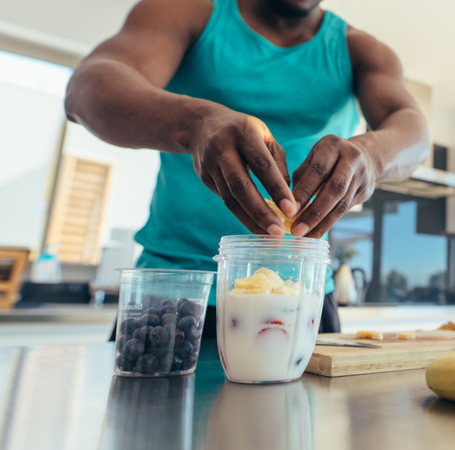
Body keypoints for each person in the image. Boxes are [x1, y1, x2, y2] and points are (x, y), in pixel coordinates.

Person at [65, 0, 429, 337]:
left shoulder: (360, 50)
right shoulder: (187, 10)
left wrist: (372, 155)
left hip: (300, 297)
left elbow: (415, 132)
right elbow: (87, 89)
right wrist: (195, 123)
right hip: (175, 293)